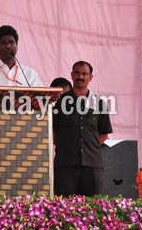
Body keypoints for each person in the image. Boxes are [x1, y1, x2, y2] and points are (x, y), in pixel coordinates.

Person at [53, 61, 113, 197]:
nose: (80, 76)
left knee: (93, 206)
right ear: (72, 75)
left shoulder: (98, 103)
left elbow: (104, 133)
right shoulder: (61, 102)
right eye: (77, 73)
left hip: (92, 164)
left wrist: (89, 146)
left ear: (90, 77)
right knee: (64, 207)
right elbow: (53, 130)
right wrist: (65, 146)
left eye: (84, 74)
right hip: (65, 164)